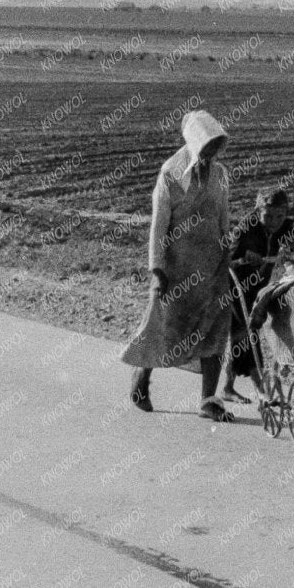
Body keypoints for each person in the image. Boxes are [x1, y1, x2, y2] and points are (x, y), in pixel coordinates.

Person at [120, 109, 237, 421]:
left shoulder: (220, 174)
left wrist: (227, 251)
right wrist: (157, 271)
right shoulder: (170, 173)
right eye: (209, 145)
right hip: (178, 267)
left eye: (217, 145)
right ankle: (141, 380)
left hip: (212, 265)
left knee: (215, 328)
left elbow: (223, 217)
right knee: (163, 327)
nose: (214, 151)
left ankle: (209, 400)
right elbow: (159, 226)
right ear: (197, 143)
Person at [221, 187, 294, 401]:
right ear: (258, 212)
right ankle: (261, 388)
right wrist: (244, 256)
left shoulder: (285, 227)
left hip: (259, 288)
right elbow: (226, 258)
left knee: (240, 334)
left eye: (279, 216)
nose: (274, 221)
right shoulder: (245, 228)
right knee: (249, 330)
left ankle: (228, 388)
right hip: (235, 286)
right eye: (268, 216)